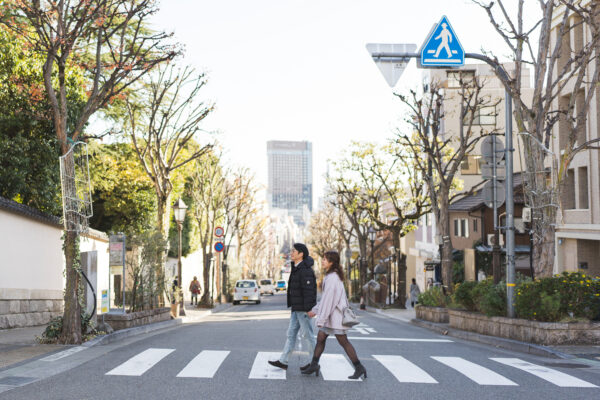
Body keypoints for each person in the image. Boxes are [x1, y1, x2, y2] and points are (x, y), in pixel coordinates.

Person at [302, 250, 367, 380]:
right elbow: (326, 299)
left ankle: (359, 367)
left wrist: (320, 318)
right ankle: (314, 364)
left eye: (325, 259)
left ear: (331, 262)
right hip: (332, 316)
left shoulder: (332, 278)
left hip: (335, 317)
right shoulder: (332, 276)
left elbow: (328, 302)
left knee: (343, 341)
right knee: (321, 338)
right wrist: (315, 310)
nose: (322, 261)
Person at [268, 243, 317, 371]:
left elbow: (309, 291)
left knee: (308, 335)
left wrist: (309, 309)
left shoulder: (305, 270)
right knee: (291, 334)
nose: (291, 253)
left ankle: (314, 362)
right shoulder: (297, 268)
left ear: (301, 254)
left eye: (294, 251)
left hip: (303, 309)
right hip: (296, 308)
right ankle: (283, 361)